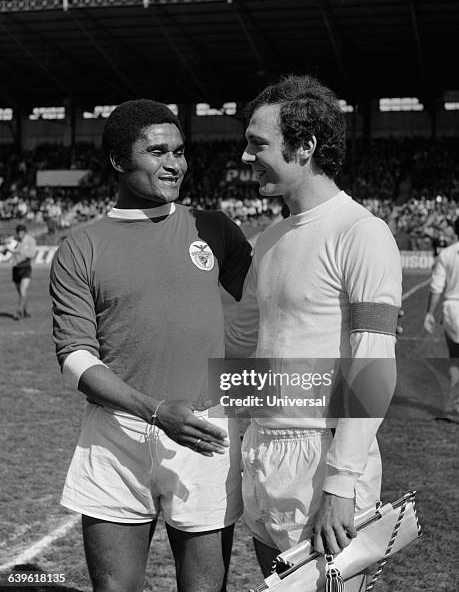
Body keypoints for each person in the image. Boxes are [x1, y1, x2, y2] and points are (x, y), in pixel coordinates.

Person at [49, 100, 252, 592]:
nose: (174, 164)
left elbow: (272, 307)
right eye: (157, 151)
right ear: (119, 160)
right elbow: (75, 359)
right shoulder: (82, 245)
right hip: (115, 435)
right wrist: (156, 410)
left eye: (179, 152)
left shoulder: (215, 228)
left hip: (205, 431)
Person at [225, 75, 402, 590]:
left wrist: (342, 483)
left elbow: (373, 364)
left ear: (304, 147)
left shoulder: (361, 233)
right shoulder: (270, 240)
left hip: (322, 459)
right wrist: (237, 445)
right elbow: (244, 350)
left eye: (258, 143)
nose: (245, 155)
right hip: (262, 451)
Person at [424, 216, 459, 416]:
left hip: (452, 310)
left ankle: (450, 402)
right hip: (452, 308)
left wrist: (430, 312)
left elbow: (436, 286)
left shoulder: (446, 253)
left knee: (454, 358)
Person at [11, 224, 37, 320]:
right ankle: (25, 311)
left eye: (21, 232)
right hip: (16, 268)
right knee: (21, 293)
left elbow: (32, 254)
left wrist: (21, 252)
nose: (19, 234)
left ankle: (19, 312)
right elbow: (7, 245)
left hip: (25, 268)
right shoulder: (14, 240)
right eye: (18, 232)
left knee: (22, 291)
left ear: (25, 232)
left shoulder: (31, 240)